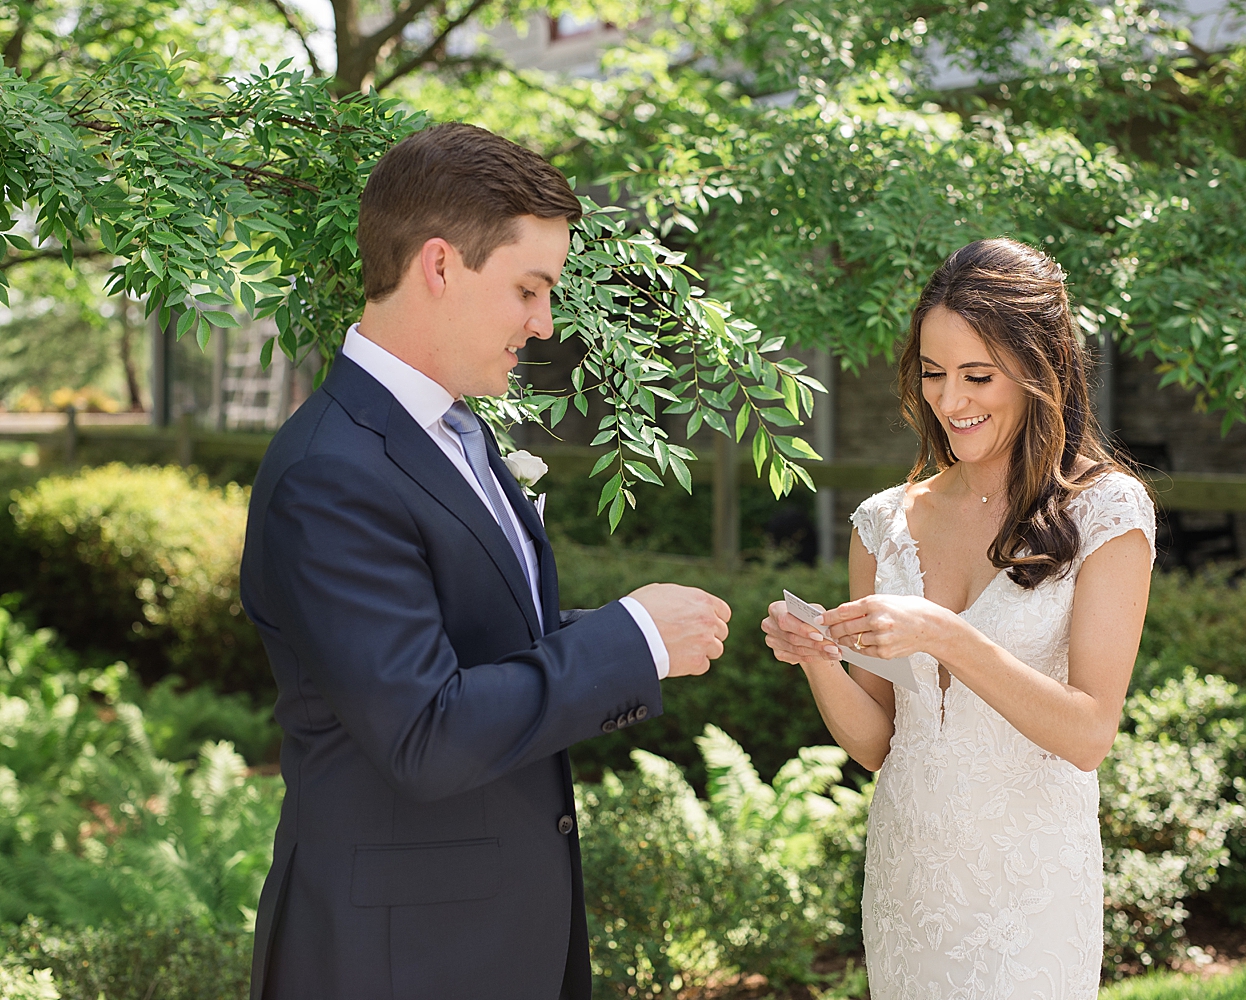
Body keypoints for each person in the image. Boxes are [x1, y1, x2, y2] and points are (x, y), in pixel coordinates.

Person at [240, 122, 731, 1000]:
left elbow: (474, 648)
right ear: (439, 265)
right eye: (529, 288)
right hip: (394, 961)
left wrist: (639, 635)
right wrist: (631, 643)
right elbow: (425, 731)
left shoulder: (455, 431)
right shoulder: (329, 472)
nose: (544, 323)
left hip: (495, 937)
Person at [762, 238, 1155, 999]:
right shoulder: (884, 523)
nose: (950, 402)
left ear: (1043, 371)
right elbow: (879, 743)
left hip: (1032, 891)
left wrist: (944, 633)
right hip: (910, 886)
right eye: (934, 375)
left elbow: (1088, 734)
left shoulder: (1107, 513)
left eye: (978, 376)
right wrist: (818, 657)